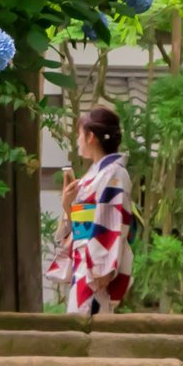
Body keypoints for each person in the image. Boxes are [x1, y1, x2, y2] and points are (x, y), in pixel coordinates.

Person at [59, 103, 133, 315]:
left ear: (91, 136)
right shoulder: (97, 175)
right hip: (85, 261)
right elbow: (84, 222)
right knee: (78, 324)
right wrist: (67, 204)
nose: (78, 140)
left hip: (97, 268)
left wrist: (102, 268)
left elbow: (112, 221)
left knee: (88, 326)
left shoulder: (113, 173)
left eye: (79, 134)